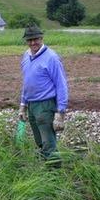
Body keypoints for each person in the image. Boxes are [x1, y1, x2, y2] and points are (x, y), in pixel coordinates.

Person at [19, 25, 69, 166]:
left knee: (48, 143)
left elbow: (61, 85)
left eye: (35, 39)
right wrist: (22, 105)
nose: (33, 43)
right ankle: (46, 167)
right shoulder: (26, 56)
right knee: (40, 141)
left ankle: (55, 175)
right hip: (31, 105)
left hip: (46, 105)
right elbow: (27, 82)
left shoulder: (51, 58)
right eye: (29, 40)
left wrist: (60, 112)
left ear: (41, 38)